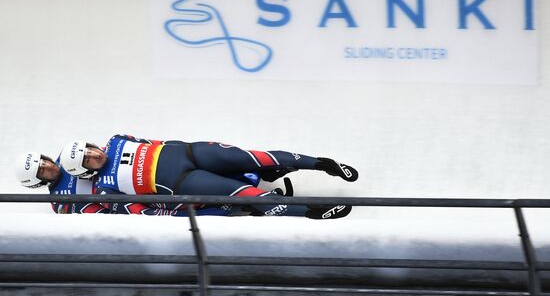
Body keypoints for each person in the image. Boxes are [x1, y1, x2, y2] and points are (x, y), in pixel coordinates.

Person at [59, 134, 358, 219]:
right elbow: (143, 209)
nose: (93, 154)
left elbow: (154, 142)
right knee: (242, 194)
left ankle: (322, 164)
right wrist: (176, 210)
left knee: (252, 156)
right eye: (87, 159)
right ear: (86, 171)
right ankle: (311, 211)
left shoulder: (117, 139)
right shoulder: (105, 190)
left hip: (192, 153)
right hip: (184, 183)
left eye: (88, 149)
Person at [14, 151, 248, 216]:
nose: (48, 166)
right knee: (176, 208)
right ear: (38, 182)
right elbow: (94, 210)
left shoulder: (70, 158)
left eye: (43, 162)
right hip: (127, 201)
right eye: (42, 171)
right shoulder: (60, 202)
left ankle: (242, 178)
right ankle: (230, 207)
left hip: (137, 179)